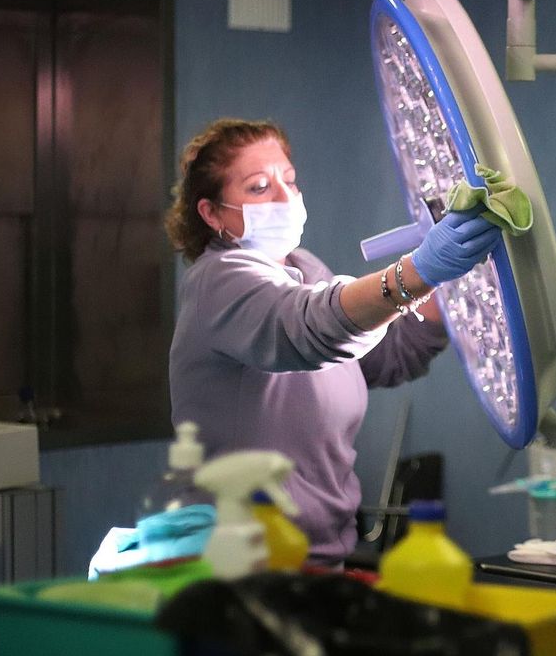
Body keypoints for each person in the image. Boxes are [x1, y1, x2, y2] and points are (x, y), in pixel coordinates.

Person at [164, 118, 500, 563]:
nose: (286, 198)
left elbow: (388, 355)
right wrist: (418, 271)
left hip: (323, 557)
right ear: (212, 213)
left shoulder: (306, 270)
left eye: (290, 180)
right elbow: (312, 328)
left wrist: (451, 275)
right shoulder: (220, 281)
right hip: (241, 564)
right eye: (259, 188)